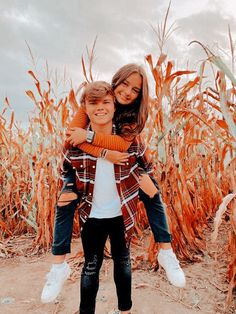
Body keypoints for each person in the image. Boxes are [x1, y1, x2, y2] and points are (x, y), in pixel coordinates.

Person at [41, 64, 185, 304]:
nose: (128, 92)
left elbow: (125, 147)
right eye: (125, 84)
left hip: (123, 195)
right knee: (64, 202)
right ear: (115, 83)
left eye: (135, 90)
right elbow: (72, 138)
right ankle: (58, 267)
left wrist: (144, 178)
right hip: (92, 205)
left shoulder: (132, 121)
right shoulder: (98, 99)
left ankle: (166, 252)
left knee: (153, 193)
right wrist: (103, 153)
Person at [65, 81, 152, 313]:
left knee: (123, 261)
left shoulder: (128, 140)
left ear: (115, 106)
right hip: (91, 215)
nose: (100, 108)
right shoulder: (75, 143)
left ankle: (125, 310)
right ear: (85, 107)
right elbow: (65, 173)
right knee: (91, 266)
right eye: (93, 103)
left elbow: (149, 168)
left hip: (122, 214)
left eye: (106, 102)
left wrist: (142, 182)